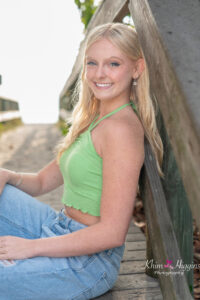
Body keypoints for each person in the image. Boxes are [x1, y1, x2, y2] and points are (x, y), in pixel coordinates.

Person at [0, 22, 163, 300]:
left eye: (113, 63)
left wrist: (30, 248)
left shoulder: (121, 129)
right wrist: (9, 175)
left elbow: (112, 234)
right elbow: (42, 182)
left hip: (88, 262)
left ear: (137, 68)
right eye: (92, 63)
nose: (100, 74)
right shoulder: (94, 118)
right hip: (58, 227)